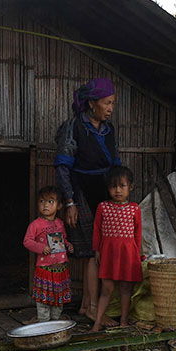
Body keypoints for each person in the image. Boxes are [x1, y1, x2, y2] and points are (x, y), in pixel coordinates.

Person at [54, 77, 122, 323]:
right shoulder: (73, 127)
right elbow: (63, 166)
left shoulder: (109, 129)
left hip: (104, 191)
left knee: (99, 250)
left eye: (113, 103)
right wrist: (69, 202)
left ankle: (85, 306)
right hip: (80, 190)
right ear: (92, 103)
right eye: (107, 103)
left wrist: (119, 197)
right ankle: (93, 308)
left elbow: (116, 163)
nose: (110, 108)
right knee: (90, 251)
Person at [91, 166, 143, 331]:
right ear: (108, 188)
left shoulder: (134, 208)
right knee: (107, 288)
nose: (118, 190)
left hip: (128, 254)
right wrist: (97, 251)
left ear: (131, 187)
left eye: (122, 186)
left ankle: (124, 320)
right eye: (113, 186)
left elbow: (138, 234)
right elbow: (97, 230)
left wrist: (137, 255)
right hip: (108, 254)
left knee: (126, 289)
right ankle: (97, 322)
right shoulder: (103, 207)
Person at [22, 185, 74, 321]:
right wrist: (40, 247)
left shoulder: (60, 223)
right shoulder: (36, 225)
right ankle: (43, 324)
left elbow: (63, 239)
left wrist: (68, 245)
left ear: (59, 206)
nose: (45, 205)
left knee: (58, 298)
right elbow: (27, 241)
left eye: (50, 201)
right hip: (45, 269)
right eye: (42, 201)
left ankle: (55, 323)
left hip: (60, 269)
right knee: (44, 300)